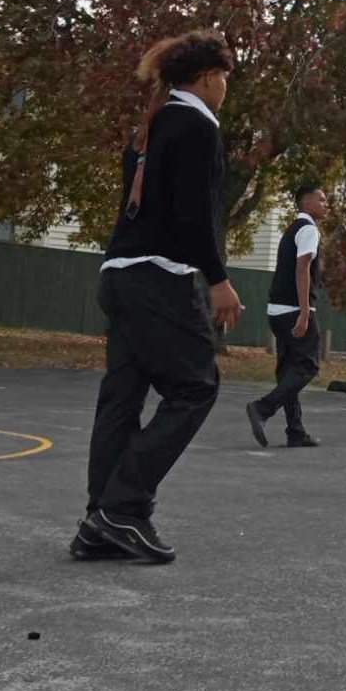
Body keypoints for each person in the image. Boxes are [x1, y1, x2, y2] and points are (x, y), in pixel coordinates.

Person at [71, 30, 245, 564]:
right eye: (226, 79)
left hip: (119, 273)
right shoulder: (196, 125)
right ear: (208, 77)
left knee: (122, 397)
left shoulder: (150, 126)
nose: (226, 90)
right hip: (158, 276)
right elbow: (193, 215)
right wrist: (218, 280)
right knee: (196, 387)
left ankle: (101, 519)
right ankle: (123, 508)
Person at [247, 182, 330, 449]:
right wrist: (305, 312)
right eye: (321, 199)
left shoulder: (292, 230)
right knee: (307, 366)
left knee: (289, 370)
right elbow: (302, 268)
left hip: (277, 309)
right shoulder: (308, 229)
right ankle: (262, 408)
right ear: (306, 203)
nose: (326, 204)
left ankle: (295, 430)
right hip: (294, 310)